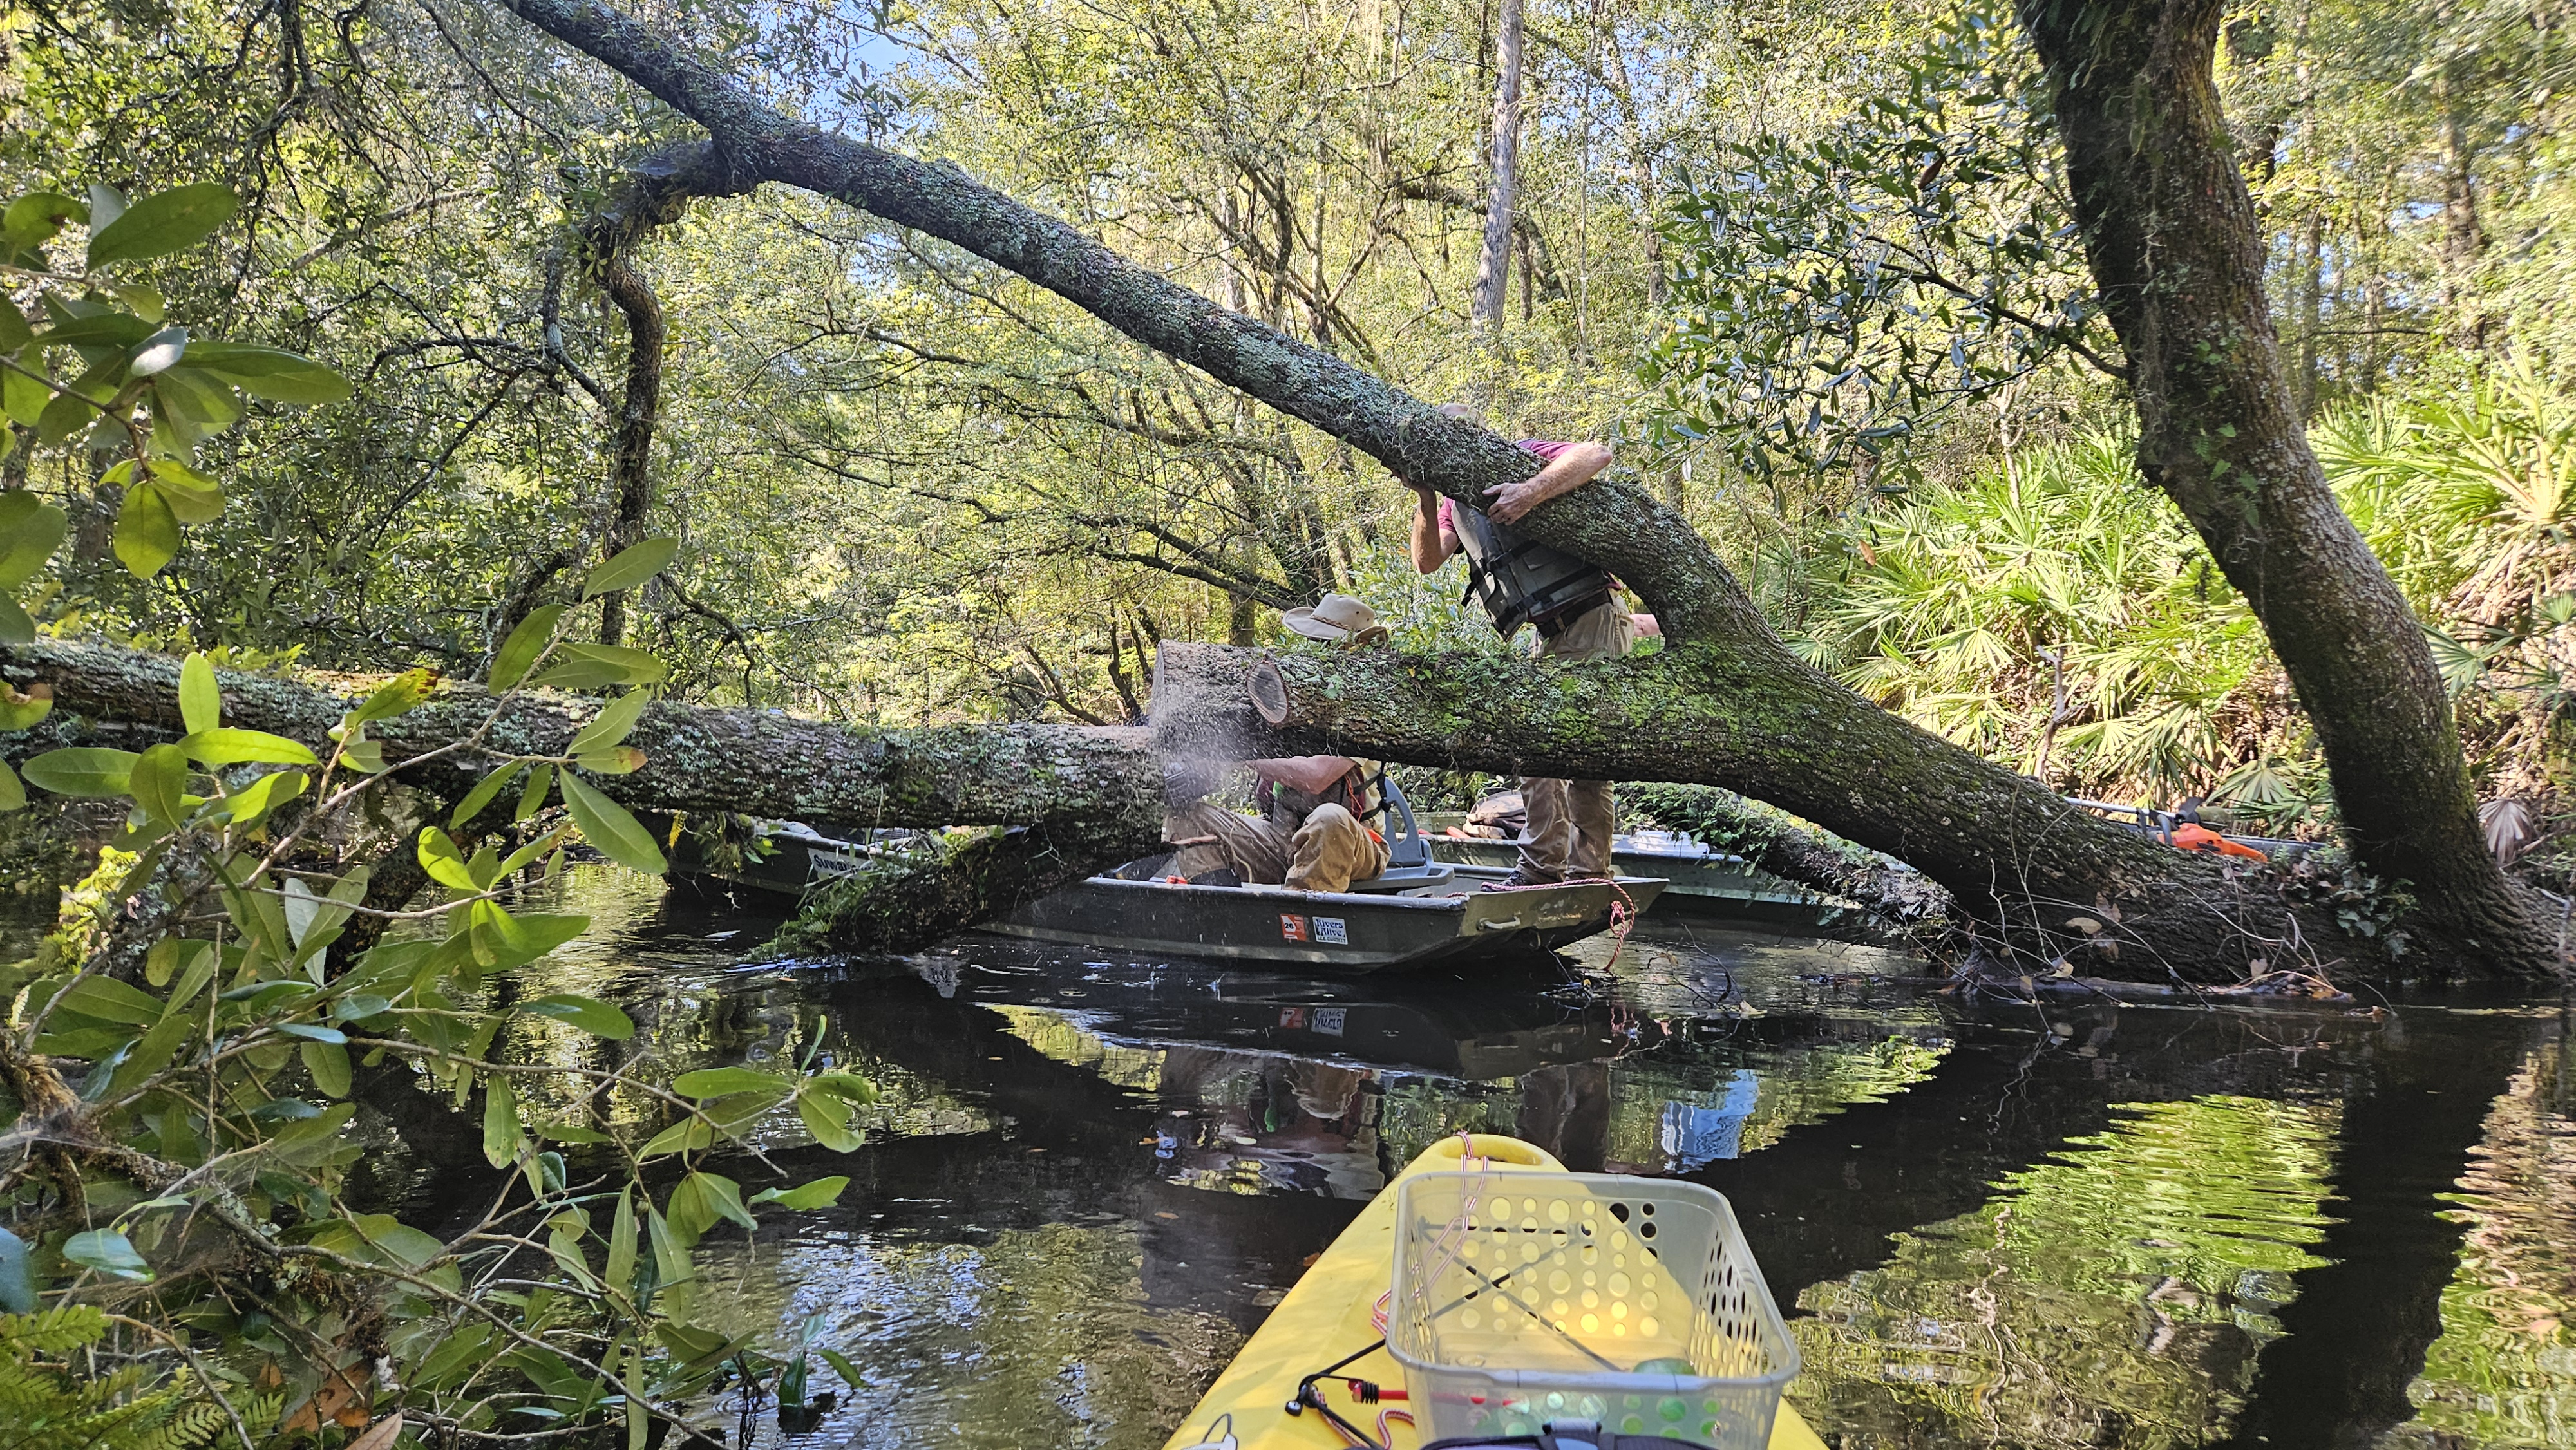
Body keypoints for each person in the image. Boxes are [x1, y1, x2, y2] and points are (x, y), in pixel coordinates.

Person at [1408, 405, 1636, 886]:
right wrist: (1427, 499)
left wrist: (1531, 492)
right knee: (1549, 750)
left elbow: (1596, 453)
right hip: (1550, 633)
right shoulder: (1453, 502)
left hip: (1593, 615)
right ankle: (1569, 871)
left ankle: (1562, 872)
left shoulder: (1523, 457)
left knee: (1567, 751)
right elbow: (1428, 561)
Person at [1161, 593, 1392, 892]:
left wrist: (1242, 753)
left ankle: (1297, 922)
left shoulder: (1365, 712)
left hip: (1353, 844)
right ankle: (1223, 912)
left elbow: (1316, 777)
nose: (1316, 653)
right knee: (1186, 817)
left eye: (1326, 645)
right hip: (1281, 838)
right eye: (1315, 644)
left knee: (1329, 819)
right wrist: (1206, 758)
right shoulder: (1286, 699)